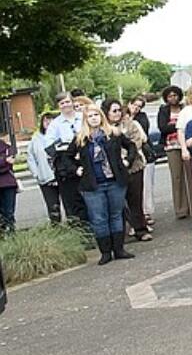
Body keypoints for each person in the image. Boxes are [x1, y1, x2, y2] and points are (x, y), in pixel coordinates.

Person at [68, 103, 138, 263]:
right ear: (85, 119)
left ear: (101, 116)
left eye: (96, 115)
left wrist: (127, 161)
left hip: (115, 182)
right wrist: (76, 169)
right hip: (93, 185)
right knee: (99, 218)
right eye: (90, 116)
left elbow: (131, 145)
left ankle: (119, 249)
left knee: (116, 215)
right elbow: (66, 157)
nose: (94, 119)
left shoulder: (113, 134)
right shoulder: (81, 139)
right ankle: (105, 252)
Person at [106, 99, 152, 242]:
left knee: (135, 199)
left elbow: (136, 141)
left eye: (119, 110)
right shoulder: (103, 128)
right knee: (117, 203)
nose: (117, 113)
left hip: (133, 166)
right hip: (113, 170)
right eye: (114, 111)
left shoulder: (129, 124)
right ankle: (121, 233)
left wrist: (127, 159)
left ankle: (141, 229)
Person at [46, 92, 89, 227]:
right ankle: (81, 232)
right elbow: (49, 146)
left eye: (67, 101)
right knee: (73, 201)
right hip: (67, 165)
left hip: (86, 159)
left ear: (72, 102)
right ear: (58, 106)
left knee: (90, 198)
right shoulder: (55, 124)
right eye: (62, 103)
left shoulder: (83, 117)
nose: (65, 105)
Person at [158, 86, 192, 219]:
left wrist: (176, 125)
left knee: (191, 175)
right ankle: (181, 209)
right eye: (170, 96)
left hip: (187, 144)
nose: (173, 98)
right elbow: (163, 127)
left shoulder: (185, 108)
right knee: (177, 177)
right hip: (171, 146)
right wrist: (179, 125)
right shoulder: (163, 110)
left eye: (175, 95)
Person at [27, 112, 61, 224]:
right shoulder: (36, 139)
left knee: (70, 203)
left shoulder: (60, 136)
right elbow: (31, 158)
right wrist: (36, 174)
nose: (48, 123)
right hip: (45, 177)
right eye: (46, 120)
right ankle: (57, 228)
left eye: (51, 120)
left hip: (62, 176)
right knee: (53, 206)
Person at [127, 96, 156, 227]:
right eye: (134, 105)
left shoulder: (141, 119)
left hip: (140, 157)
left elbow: (142, 137)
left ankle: (146, 213)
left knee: (145, 187)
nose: (136, 108)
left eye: (139, 107)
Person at [0, 135, 17, 234]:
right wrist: (4, 160)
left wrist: (5, 163)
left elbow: (10, 163)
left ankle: (11, 233)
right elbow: (7, 162)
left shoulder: (6, 147)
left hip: (8, 184)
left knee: (9, 212)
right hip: (7, 182)